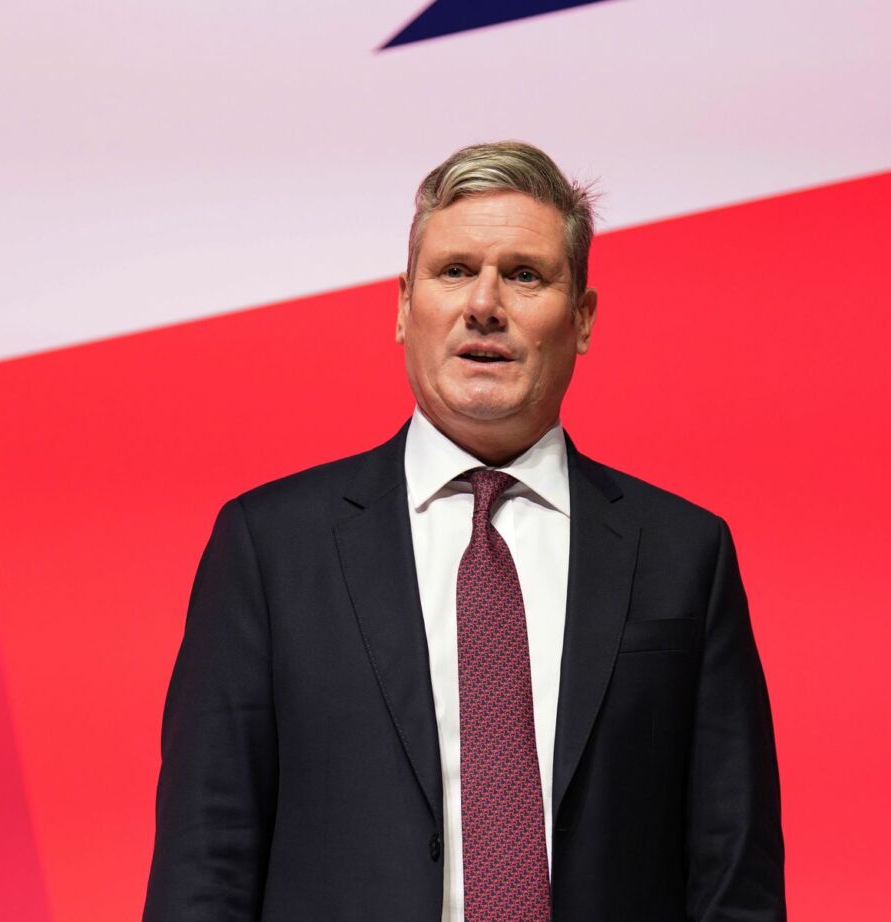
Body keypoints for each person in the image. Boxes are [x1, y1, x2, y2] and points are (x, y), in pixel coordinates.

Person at [144, 141, 784, 921]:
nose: (484, 303)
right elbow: (205, 861)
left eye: (524, 274)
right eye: (453, 272)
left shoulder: (686, 553)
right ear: (403, 307)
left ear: (581, 319)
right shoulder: (270, 547)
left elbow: (733, 871)